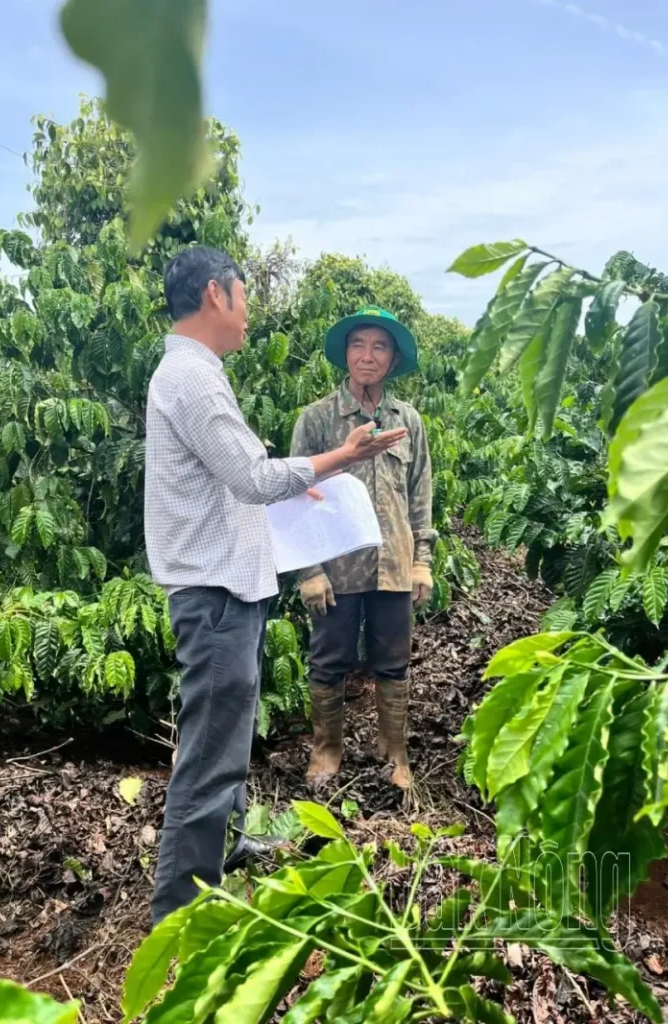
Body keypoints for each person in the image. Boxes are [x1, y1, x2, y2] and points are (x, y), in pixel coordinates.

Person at [144, 249, 408, 924]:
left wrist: (302, 483)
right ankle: (180, 914)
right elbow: (253, 479)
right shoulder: (192, 379)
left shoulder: (199, 373)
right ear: (216, 295)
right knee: (209, 756)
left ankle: (227, 848)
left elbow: (241, 476)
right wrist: (343, 456)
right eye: (244, 295)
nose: (248, 312)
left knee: (228, 741)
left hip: (230, 589)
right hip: (214, 593)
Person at [290, 307, 436, 790]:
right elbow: (297, 496)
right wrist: (310, 570)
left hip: (393, 563)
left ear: (393, 359)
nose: (367, 356)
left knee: (393, 660)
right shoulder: (316, 419)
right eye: (358, 344)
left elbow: (419, 493)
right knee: (329, 659)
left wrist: (421, 561)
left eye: (379, 347)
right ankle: (326, 750)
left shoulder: (407, 420)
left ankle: (393, 750)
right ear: (346, 354)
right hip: (337, 567)